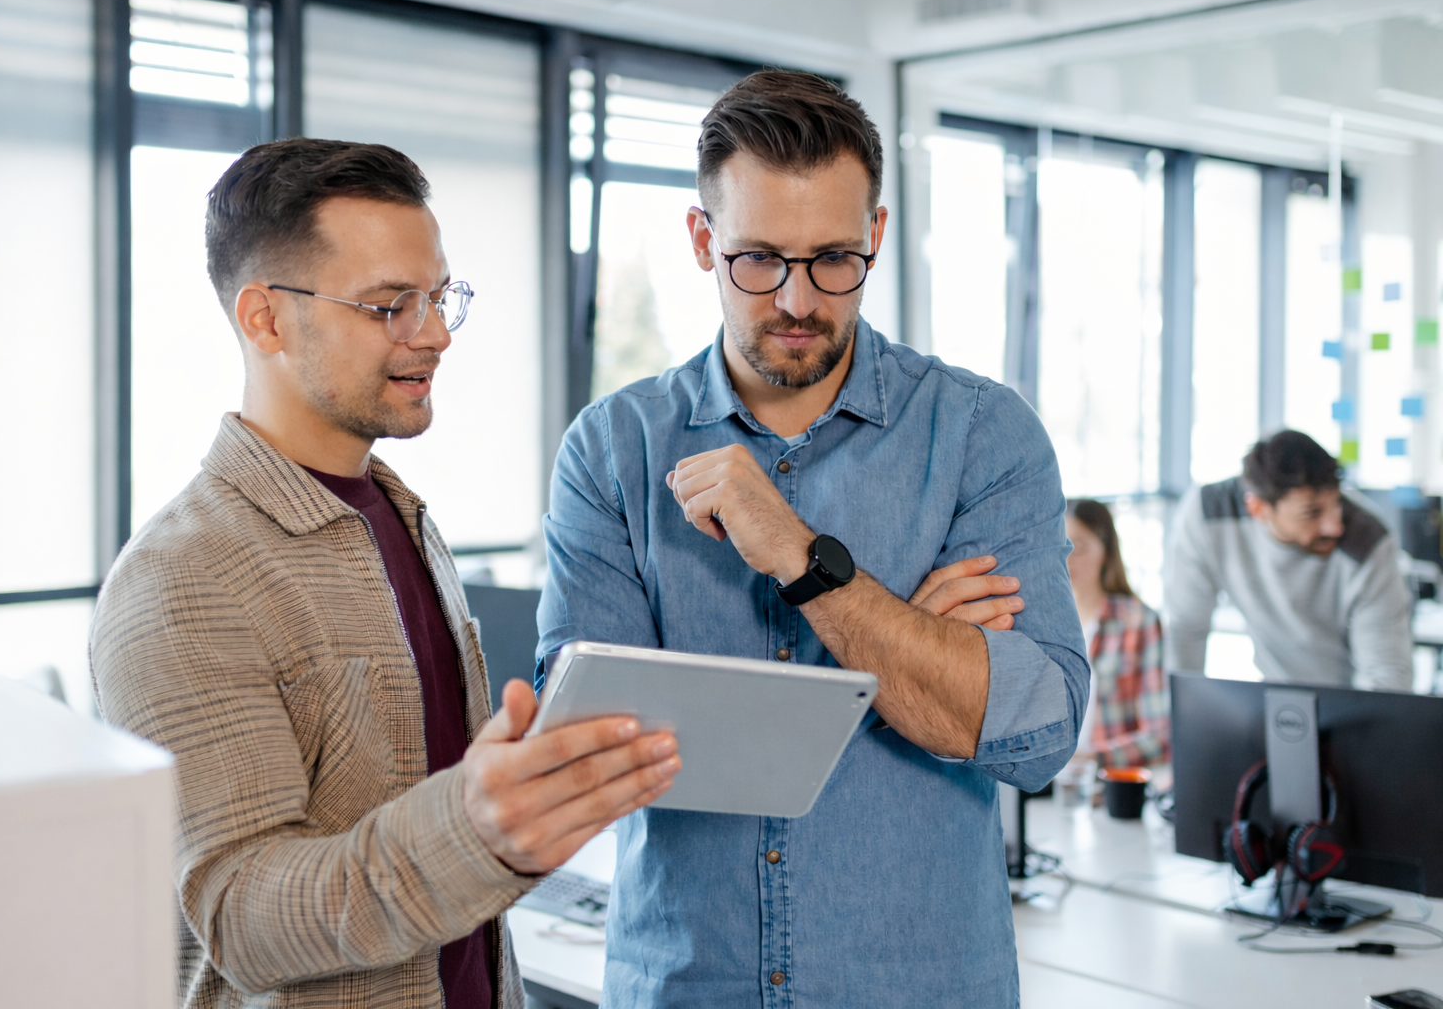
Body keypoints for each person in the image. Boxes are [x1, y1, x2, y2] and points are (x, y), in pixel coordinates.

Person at [89, 138, 682, 1009]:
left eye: (438, 298)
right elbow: (241, 918)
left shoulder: (401, 520)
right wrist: (478, 828)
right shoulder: (182, 582)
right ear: (266, 319)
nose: (434, 334)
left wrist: (516, 809)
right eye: (389, 305)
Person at [536, 71, 1087, 1007]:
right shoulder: (612, 449)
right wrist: (906, 656)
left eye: (833, 258)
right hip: (685, 986)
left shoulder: (983, 436)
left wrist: (805, 560)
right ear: (703, 241)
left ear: (875, 236)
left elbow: (1034, 736)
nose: (797, 300)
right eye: (758, 259)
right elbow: (589, 751)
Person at [1164, 429, 1412, 690]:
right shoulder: (1208, 515)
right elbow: (1185, 632)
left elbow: (1385, 675)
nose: (1335, 526)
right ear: (1258, 508)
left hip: (1351, 703)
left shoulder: (1368, 540)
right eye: (1312, 512)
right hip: (1276, 699)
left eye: (1336, 502)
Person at [1066, 499, 1167, 768]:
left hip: (1108, 786)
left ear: (1106, 552)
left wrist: (1091, 760)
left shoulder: (1138, 622)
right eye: (1060, 546)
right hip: (1042, 786)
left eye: (1080, 547)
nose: (1067, 558)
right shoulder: (1036, 622)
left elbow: (1159, 735)